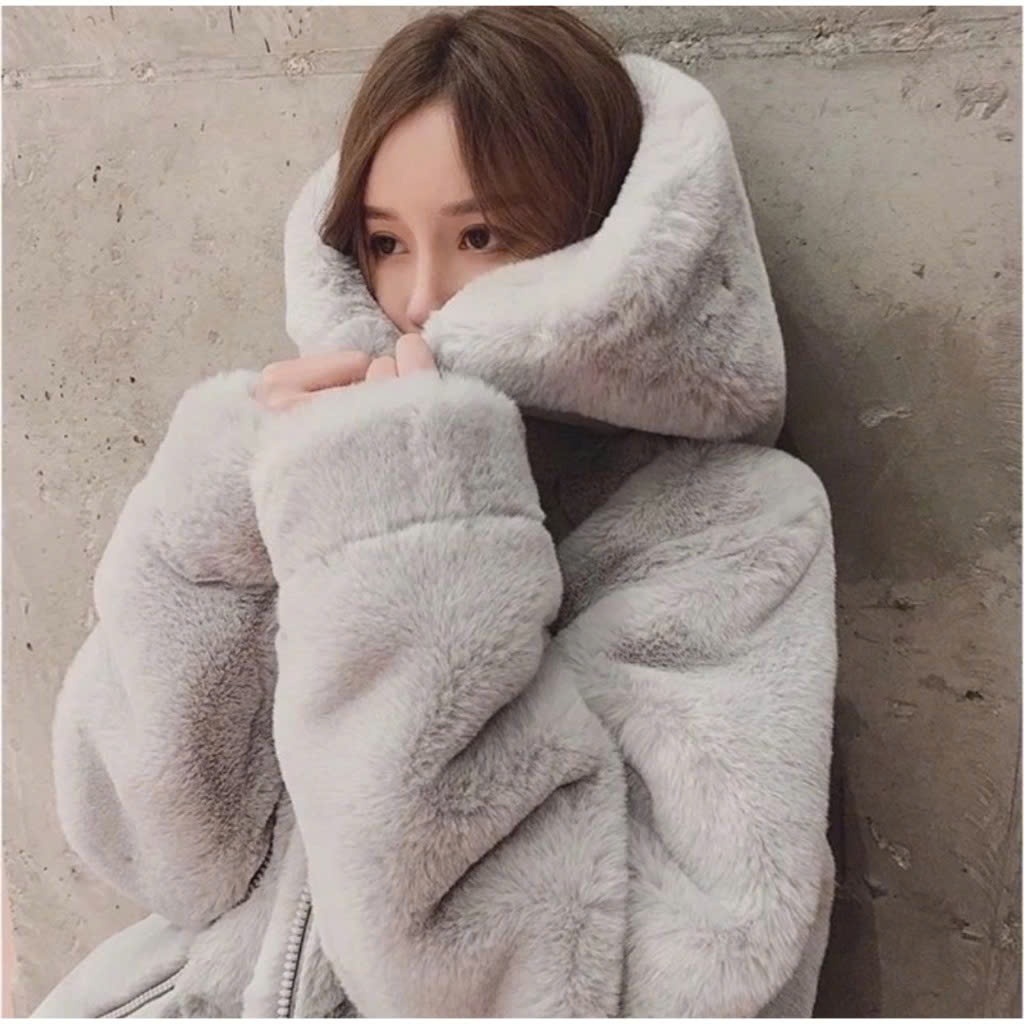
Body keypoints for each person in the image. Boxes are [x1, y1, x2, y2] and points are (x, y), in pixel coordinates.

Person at [32, 7, 837, 1018]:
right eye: (383, 242)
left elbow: (627, 983)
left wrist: (417, 534)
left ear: (601, 231)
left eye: (481, 235)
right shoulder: (326, 465)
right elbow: (159, 858)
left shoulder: (729, 525)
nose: (417, 298)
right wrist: (215, 530)